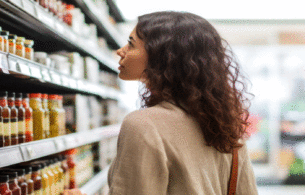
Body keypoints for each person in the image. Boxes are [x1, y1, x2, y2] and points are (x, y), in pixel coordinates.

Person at [64, 11, 258, 195]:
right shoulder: (226, 128)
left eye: (131, 44)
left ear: (161, 56)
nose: (120, 51)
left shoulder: (144, 125)